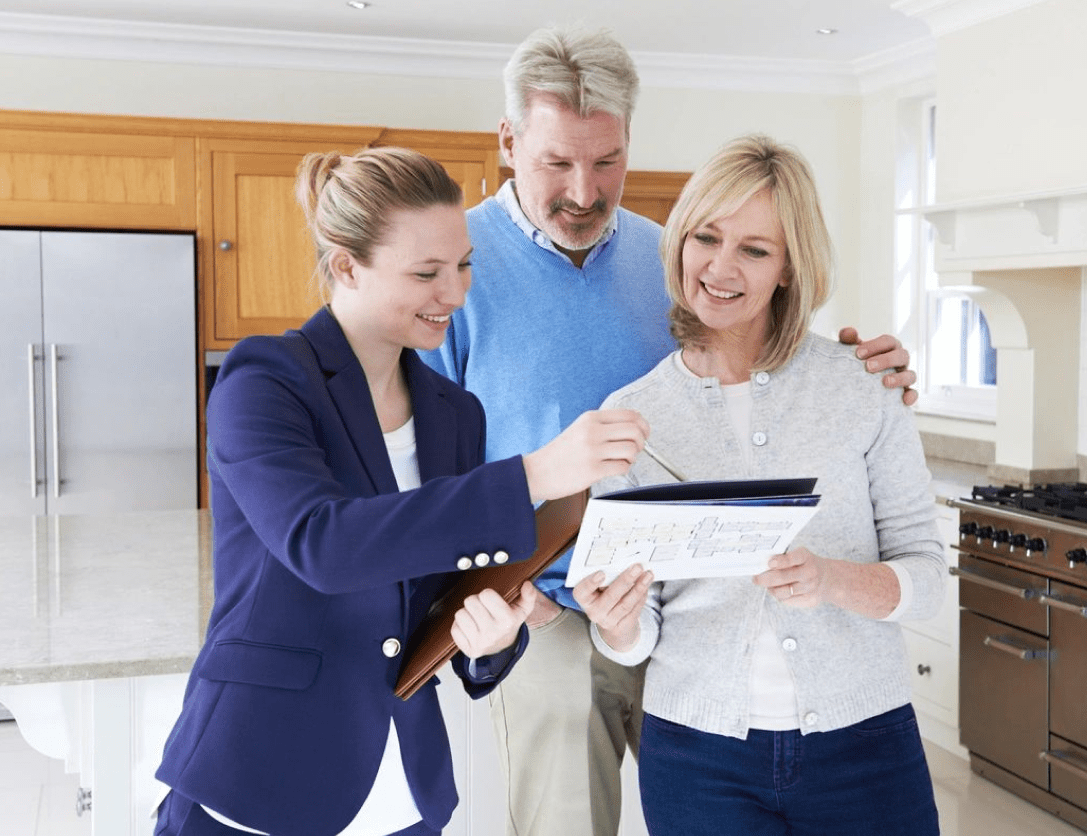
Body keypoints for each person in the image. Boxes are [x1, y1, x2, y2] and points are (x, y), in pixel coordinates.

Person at [420, 27, 920, 836]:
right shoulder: (455, 270)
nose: (583, 190)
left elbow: (766, 377)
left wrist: (872, 366)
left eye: (606, 160)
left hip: (692, 620)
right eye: (555, 162)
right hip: (546, 615)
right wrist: (519, 604)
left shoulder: (676, 261)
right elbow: (422, 479)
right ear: (509, 142)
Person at [153, 146, 648, 836]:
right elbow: (324, 544)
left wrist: (492, 636)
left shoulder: (452, 411)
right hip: (258, 776)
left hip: (400, 787)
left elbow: (438, 589)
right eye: (426, 273)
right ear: (346, 266)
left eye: (463, 265)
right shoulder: (265, 381)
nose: (455, 294)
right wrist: (534, 474)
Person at [574, 134, 945, 835]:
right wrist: (615, 623)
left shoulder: (863, 385)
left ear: (788, 267)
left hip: (864, 743)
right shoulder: (629, 419)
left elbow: (926, 577)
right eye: (705, 237)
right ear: (678, 242)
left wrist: (830, 581)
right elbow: (635, 637)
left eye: (753, 249)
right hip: (695, 757)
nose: (718, 267)